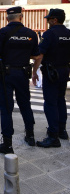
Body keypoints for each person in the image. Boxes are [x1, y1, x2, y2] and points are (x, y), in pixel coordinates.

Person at [0, 6, 40, 154]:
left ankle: (7, 144)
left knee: (6, 108)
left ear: (7, 19)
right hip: (23, 74)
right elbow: (37, 56)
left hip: (6, 75)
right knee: (25, 105)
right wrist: (33, 69)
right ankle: (30, 136)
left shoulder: (3, 33)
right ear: (21, 17)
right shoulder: (31, 34)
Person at [32, 8, 70, 148]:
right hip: (64, 71)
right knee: (61, 100)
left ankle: (53, 136)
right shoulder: (68, 33)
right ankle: (62, 130)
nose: (47, 22)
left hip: (51, 73)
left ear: (55, 20)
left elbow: (39, 55)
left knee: (50, 103)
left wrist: (34, 71)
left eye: (49, 19)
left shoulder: (49, 34)